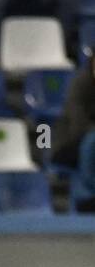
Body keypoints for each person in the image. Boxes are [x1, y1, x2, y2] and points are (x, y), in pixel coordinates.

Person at [54, 54, 95, 212]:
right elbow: (79, 126)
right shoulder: (79, 86)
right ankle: (89, 196)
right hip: (69, 144)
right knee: (91, 140)